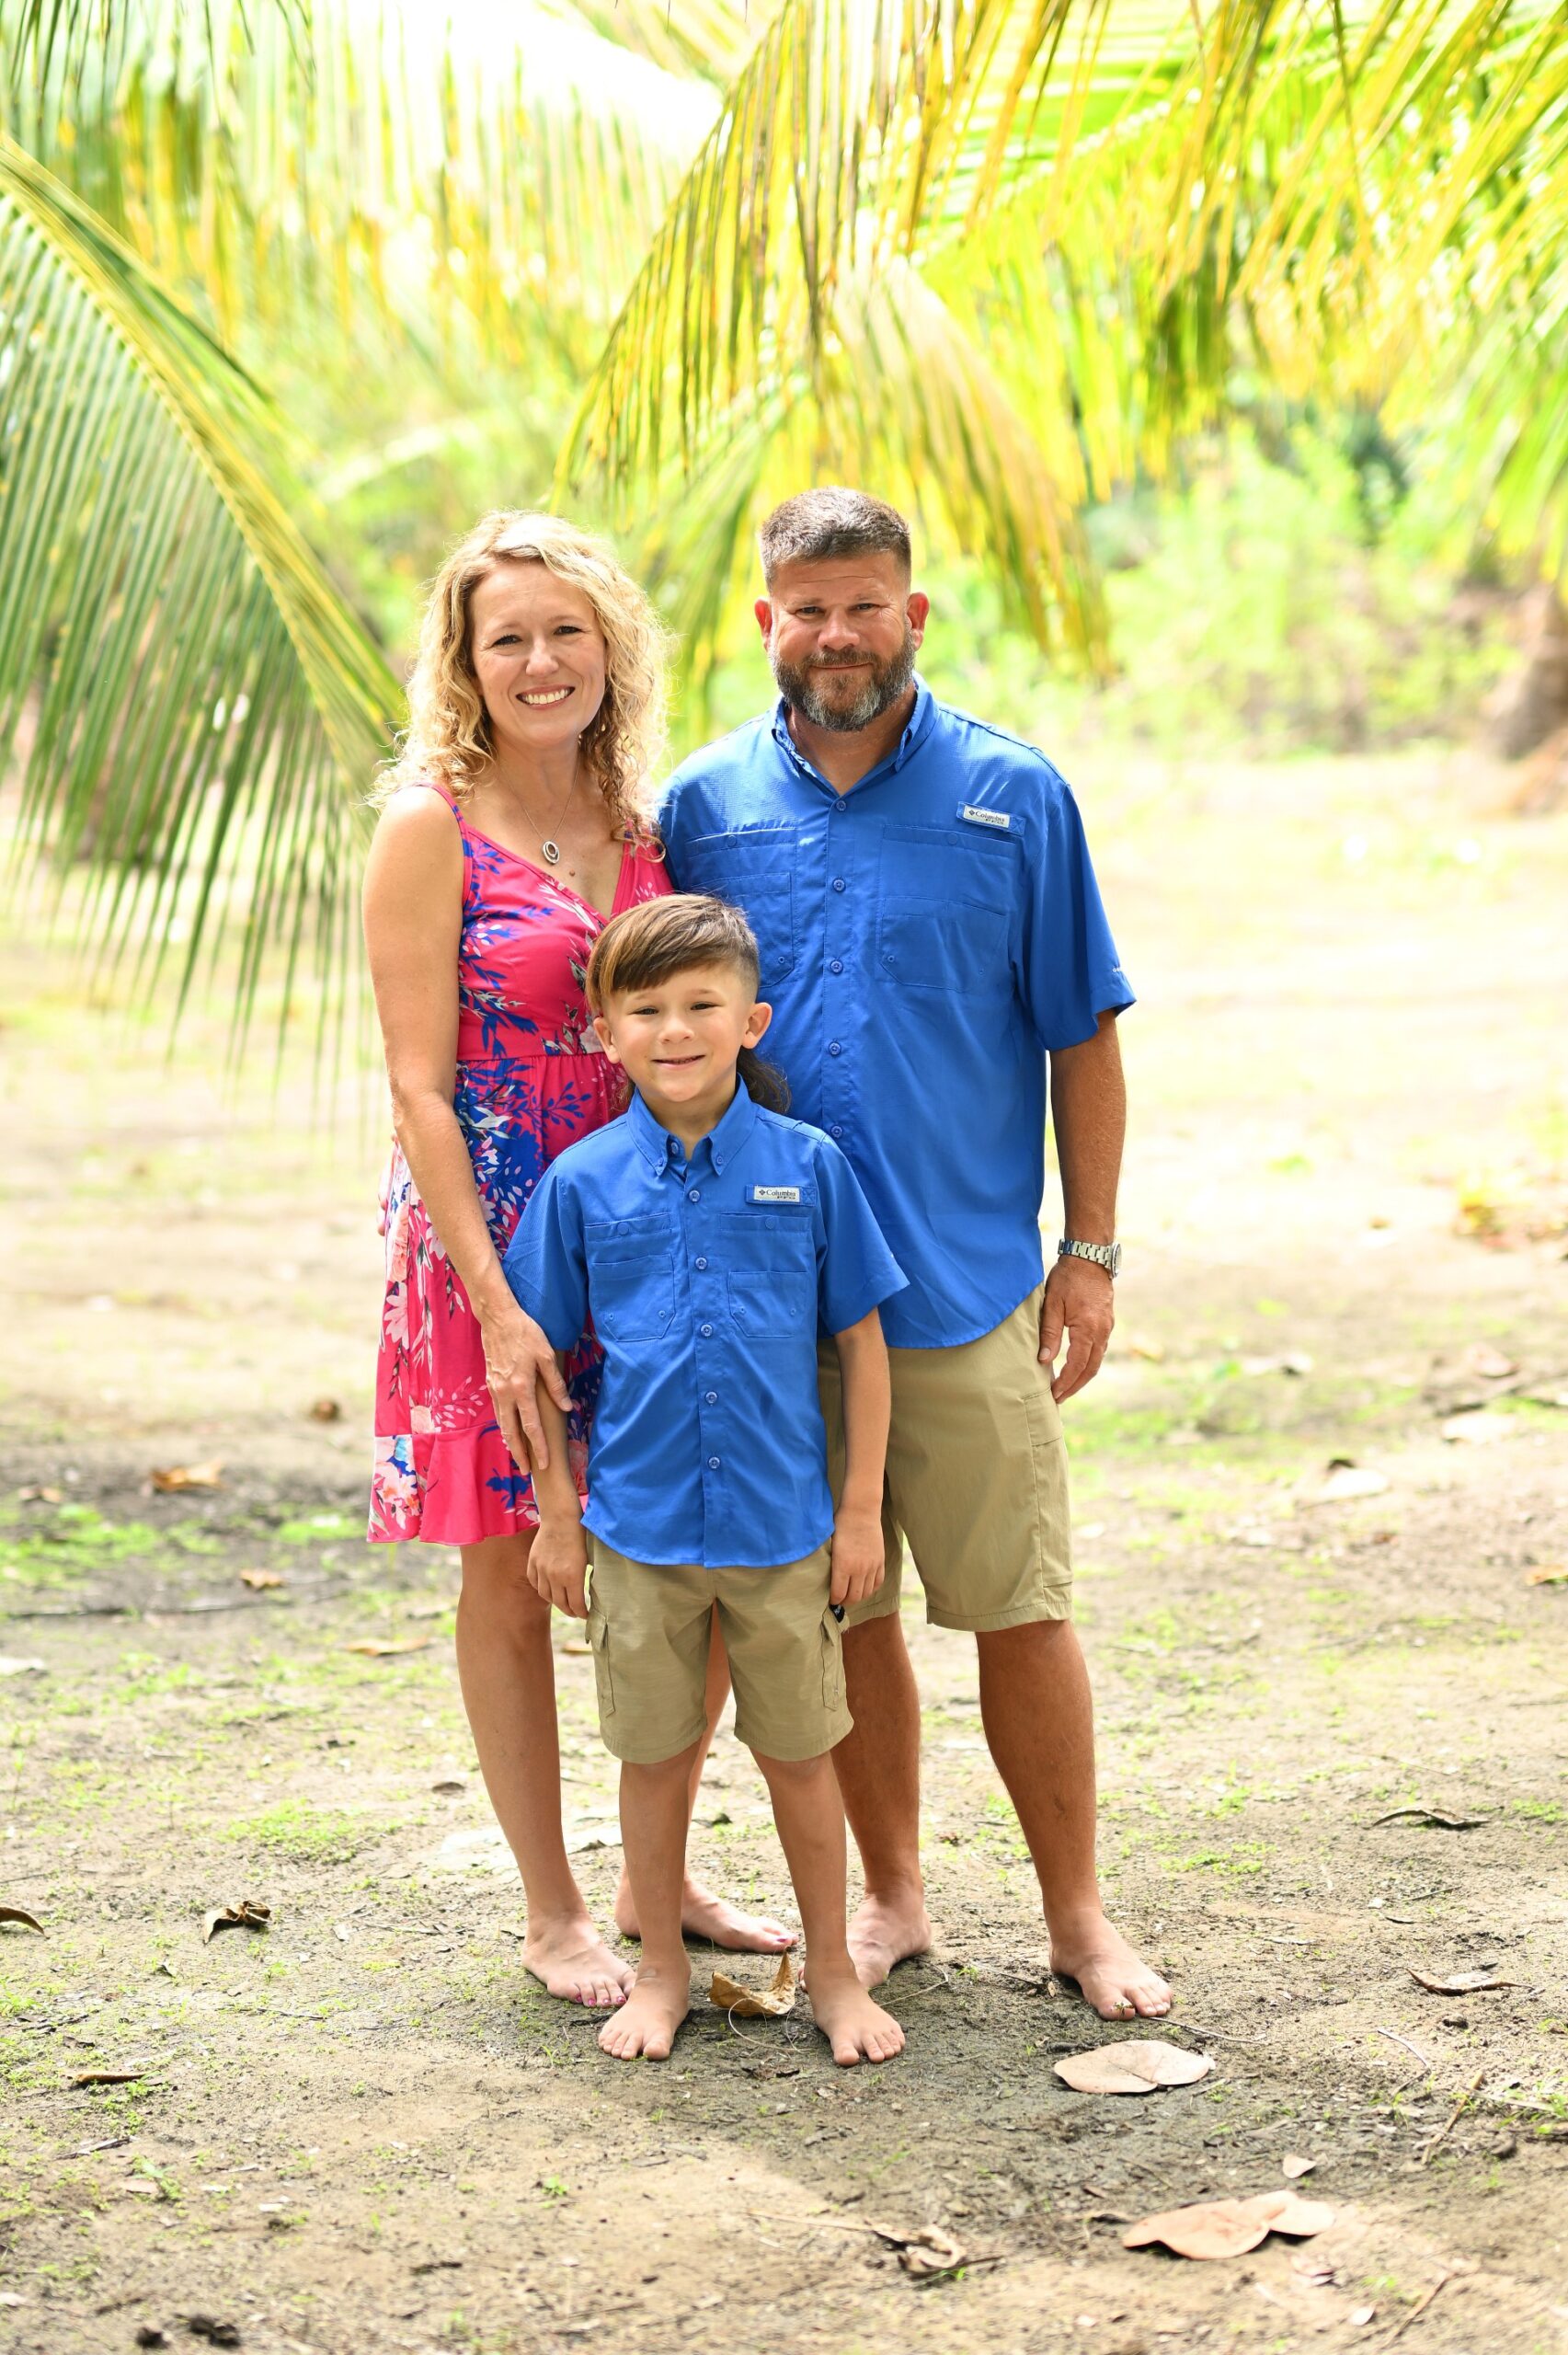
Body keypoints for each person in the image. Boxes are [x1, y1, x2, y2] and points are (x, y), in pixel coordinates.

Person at [659, 488, 1171, 2022]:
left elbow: (1083, 1037)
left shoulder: (1016, 795)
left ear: (914, 614)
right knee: (843, 1612)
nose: (837, 636)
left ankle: (1078, 1918)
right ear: (766, 621)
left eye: (864, 605)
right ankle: (892, 1894)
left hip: (959, 1285)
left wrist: (1089, 1251)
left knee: (1020, 1604)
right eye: (808, 610)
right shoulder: (699, 812)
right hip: (773, 1305)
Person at [361, 511, 792, 2011]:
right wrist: (497, 1309)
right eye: (508, 639)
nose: (540, 661)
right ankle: (553, 1910)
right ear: (465, 663)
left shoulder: (645, 827)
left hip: (650, 1233)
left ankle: (652, 1876)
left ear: (609, 648)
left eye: (566, 632)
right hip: (492, 1244)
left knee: (686, 1542)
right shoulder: (428, 826)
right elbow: (417, 1088)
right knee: (507, 1565)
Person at [504, 893, 908, 2066]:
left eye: (701, 1005)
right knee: (651, 1757)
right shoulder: (582, 1183)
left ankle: (830, 1971)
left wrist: (860, 1513)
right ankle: (662, 1972)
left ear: (751, 1022)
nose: (674, 1030)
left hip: (784, 1533)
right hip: (638, 1534)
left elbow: (863, 1346)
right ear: (605, 1034)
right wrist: (558, 1519)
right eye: (645, 1010)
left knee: (800, 1758)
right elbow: (540, 1366)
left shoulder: (809, 1167)